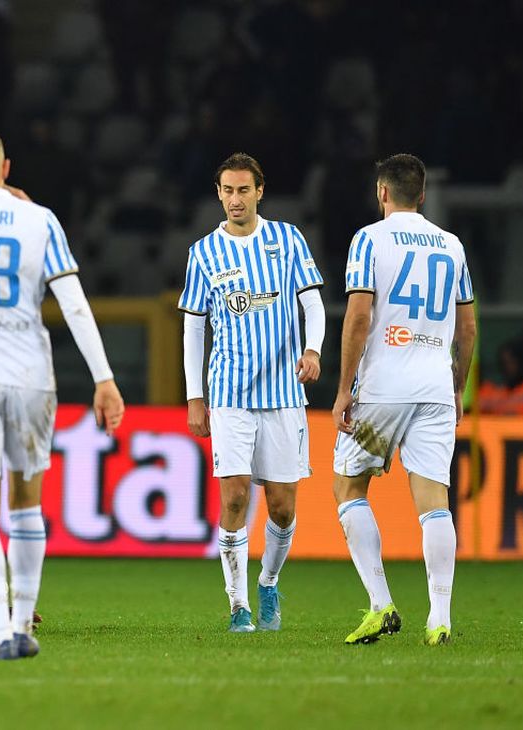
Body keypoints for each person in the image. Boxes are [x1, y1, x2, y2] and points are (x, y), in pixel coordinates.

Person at [0, 131, 125, 660]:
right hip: (30, 376)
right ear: (7, 168)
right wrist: (103, 378)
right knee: (27, 504)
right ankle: (23, 626)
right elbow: (74, 303)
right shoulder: (41, 220)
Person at [333, 154, 476, 646]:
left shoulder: (369, 239)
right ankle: (440, 619)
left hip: (383, 388)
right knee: (435, 503)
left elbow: (358, 318)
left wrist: (343, 390)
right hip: (435, 388)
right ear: (423, 194)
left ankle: (381, 604)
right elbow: (468, 326)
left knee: (348, 487)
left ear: (382, 192)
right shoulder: (452, 245)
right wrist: (457, 387)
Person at [180, 152, 326, 633]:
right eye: (228, 190)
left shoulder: (287, 239)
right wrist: (195, 396)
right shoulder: (204, 252)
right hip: (229, 394)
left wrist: (312, 349)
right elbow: (193, 328)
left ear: (260, 191)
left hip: (284, 393)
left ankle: (268, 582)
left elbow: (313, 303)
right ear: (218, 194)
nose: (235, 199)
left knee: (283, 507)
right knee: (235, 498)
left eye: (244, 190)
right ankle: (238, 605)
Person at [478, 337, 523, 415]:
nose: (507, 367)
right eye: (503, 363)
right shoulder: (499, 391)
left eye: (511, 362)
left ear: (522, 361)